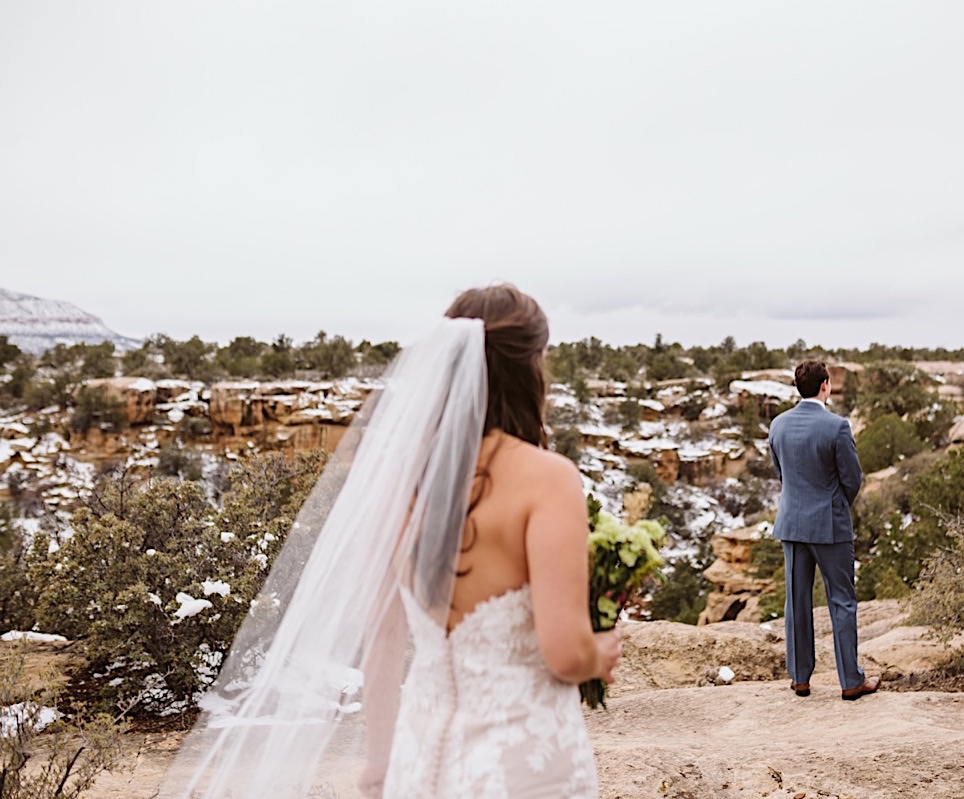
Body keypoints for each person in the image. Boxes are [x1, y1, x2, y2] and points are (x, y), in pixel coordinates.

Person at [158, 284, 619, 799]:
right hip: (525, 764)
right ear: (530, 367)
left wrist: (379, 761)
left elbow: (383, 638)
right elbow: (564, 653)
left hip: (423, 758)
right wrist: (599, 653)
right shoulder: (547, 478)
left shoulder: (404, 479)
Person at [766, 359, 879, 701]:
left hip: (791, 522)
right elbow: (852, 478)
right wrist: (834, 504)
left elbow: (781, 473)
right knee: (841, 600)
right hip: (830, 525)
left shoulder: (778, 425)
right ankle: (850, 681)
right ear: (825, 385)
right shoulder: (837, 427)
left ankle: (800, 678)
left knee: (796, 600)